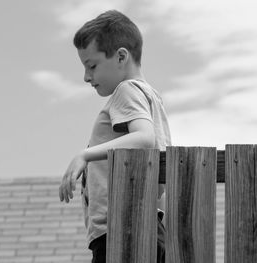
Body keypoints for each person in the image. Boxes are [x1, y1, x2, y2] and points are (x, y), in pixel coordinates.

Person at [59, 10, 171, 263]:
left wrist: (84, 155)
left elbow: (144, 138)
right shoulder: (150, 96)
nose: (87, 77)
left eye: (92, 66)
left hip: (123, 231)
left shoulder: (127, 90)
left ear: (121, 56)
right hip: (146, 226)